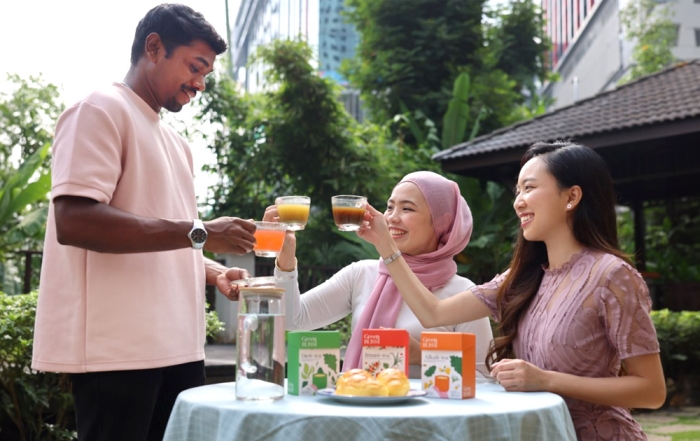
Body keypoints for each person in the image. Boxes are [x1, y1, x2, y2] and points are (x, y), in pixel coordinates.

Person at [31, 4, 256, 441]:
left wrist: (211, 271)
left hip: (180, 350)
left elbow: (164, 233)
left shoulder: (176, 142)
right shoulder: (99, 108)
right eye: (195, 66)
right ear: (154, 47)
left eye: (206, 73)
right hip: (117, 354)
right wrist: (204, 232)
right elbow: (75, 222)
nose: (201, 83)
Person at [357, 142, 666, 439]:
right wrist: (386, 244)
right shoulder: (522, 277)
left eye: (529, 188)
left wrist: (545, 381)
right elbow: (432, 313)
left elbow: (651, 391)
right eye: (518, 190)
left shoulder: (613, 275)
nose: (518, 201)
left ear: (571, 196)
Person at [266, 171, 494, 378]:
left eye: (407, 209)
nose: (392, 217)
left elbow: (484, 379)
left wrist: (423, 356)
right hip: (359, 409)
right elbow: (293, 319)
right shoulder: (361, 274)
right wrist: (285, 258)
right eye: (390, 207)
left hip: (424, 421)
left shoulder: (464, 294)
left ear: (442, 224)